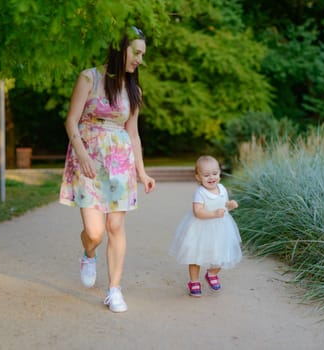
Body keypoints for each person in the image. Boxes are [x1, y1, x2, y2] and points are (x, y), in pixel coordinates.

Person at [59, 26, 156, 313]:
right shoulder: (90, 77)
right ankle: (89, 253)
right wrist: (81, 154)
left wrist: (142, 172)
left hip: (120, 162)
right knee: (95, 232)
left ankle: (114, 289)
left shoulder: (133, 89)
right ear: (120, 47)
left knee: (115, 226)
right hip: (87, 160)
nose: (139, 59)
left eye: (142, 54)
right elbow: (71, 121)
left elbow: (134, 134)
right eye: (136, 52)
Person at [169, 155, 242, 297]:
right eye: (206, 175)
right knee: (195, 256)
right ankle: (194, 281)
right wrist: (214, 213)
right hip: (200, 228)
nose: (211, 178)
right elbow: (198, 212)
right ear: (198, 177)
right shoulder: (200, 193)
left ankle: (212, 274)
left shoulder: (222, 188)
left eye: (215, 173)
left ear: (219, 173)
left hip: (221, 227)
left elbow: (224, 206)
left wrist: (230, 205)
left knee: (221, 254)